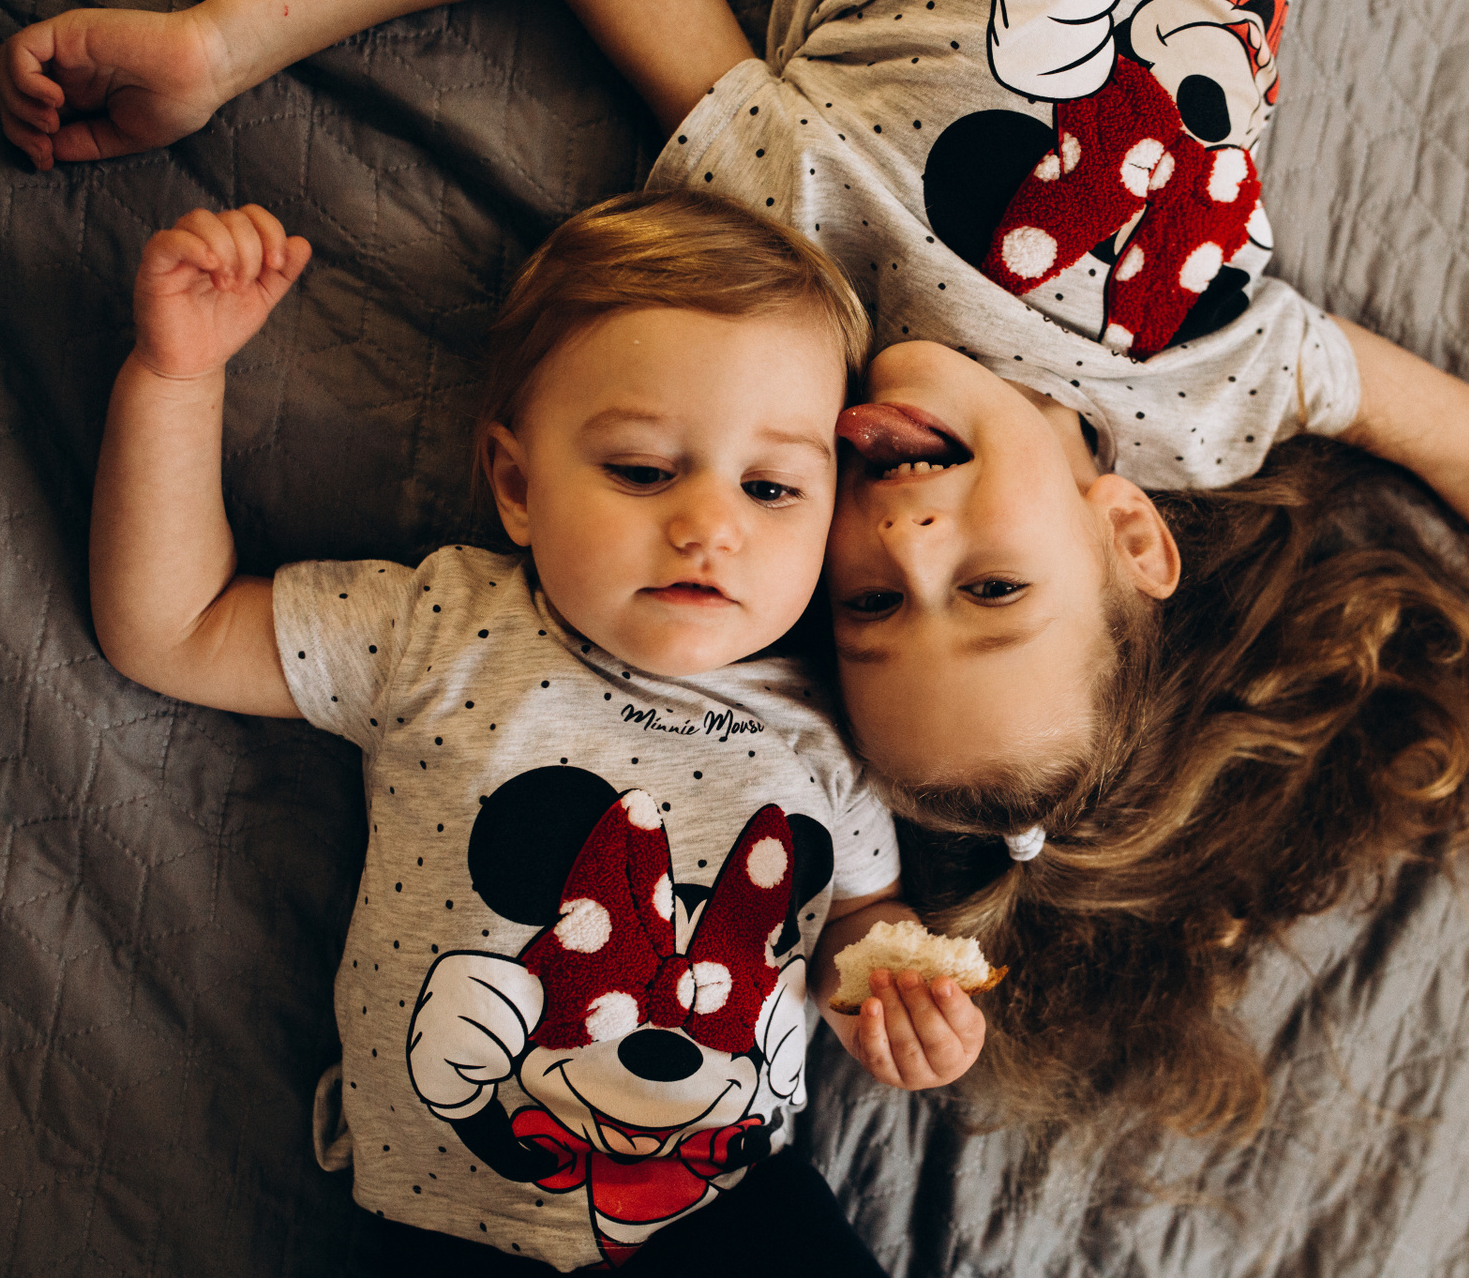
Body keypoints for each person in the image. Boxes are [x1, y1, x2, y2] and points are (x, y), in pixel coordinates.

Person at [3, 0, 1469, 1135]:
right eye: (993, 590)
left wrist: (226, 44)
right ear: (1130, 533)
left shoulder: (787, 258)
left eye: (868, 606)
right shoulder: (1213, 398)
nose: (902, 536)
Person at [85, 188, 988, 1275]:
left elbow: (861, 913)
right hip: (446, 1222)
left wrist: (891, 998)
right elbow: (171, 629)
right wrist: (175, 380)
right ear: (517, 484)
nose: (710, 525)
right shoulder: (441, 631)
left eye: (771, 486)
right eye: (643, 470)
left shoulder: (835, 729)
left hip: (733, 1216)